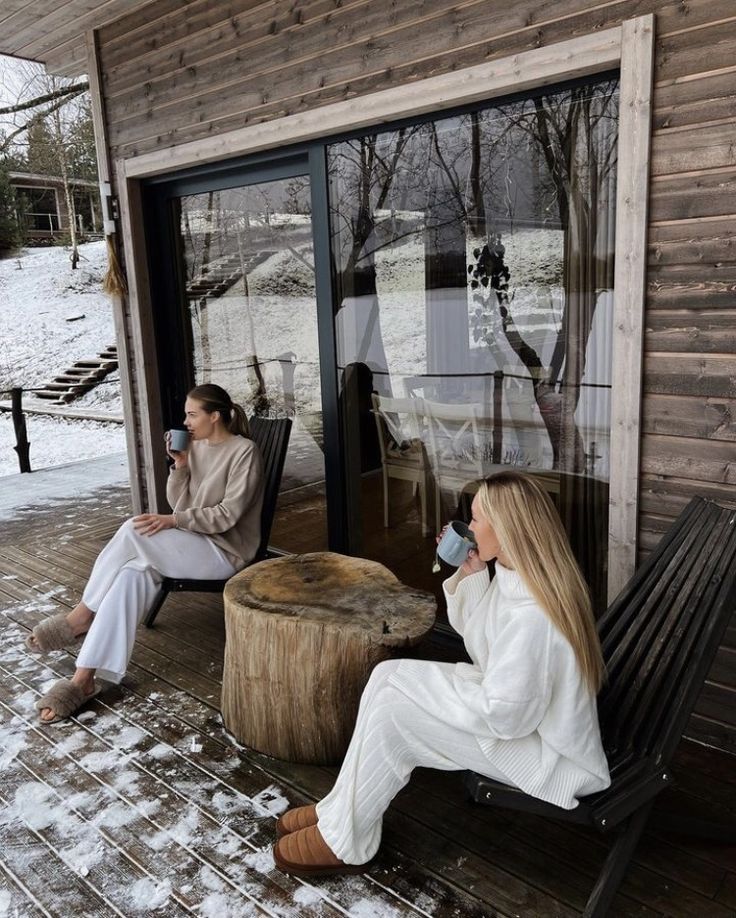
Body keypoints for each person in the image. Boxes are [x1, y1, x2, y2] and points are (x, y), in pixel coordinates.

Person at [272, 470, 610, 876]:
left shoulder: (535, 617)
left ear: (509, 531)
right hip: (521, 728)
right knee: (386, 678)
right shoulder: (518, 576)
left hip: (546, 759)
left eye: (478, 520)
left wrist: (428, 692)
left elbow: (506, 715)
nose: (469, 528)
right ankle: (339, 812)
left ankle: (347, 842)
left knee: (396, 713)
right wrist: (471, 575)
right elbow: (487, 648)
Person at [27, 383, 264, 724]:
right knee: (129, 576)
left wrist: (173, 521)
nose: (186, 421)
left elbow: (228, 514)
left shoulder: (244, 451)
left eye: (192, 414)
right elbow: (180, 504)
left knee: (132, 529)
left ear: (215, 416)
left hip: (226, 552)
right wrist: (181, 466)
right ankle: (85, 677)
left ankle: (80, 616)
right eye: (186, 414)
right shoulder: (195, 447)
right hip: (193, 542)